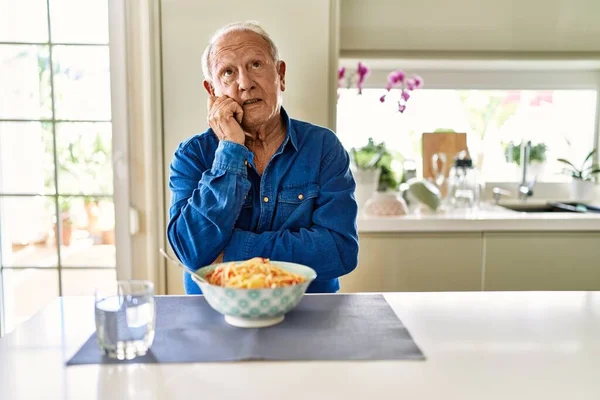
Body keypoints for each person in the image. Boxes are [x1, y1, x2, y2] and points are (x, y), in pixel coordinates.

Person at [167, 21, 358, 294]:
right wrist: (230, 150)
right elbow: (191, 250)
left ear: (280, 74)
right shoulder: (192, 155)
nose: (245, 84)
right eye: (228, 73)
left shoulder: (324, 147)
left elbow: (340, 250)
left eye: (256, 65)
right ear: (212, 91)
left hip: (309, 312)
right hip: (216, 316)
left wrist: (232, 251)